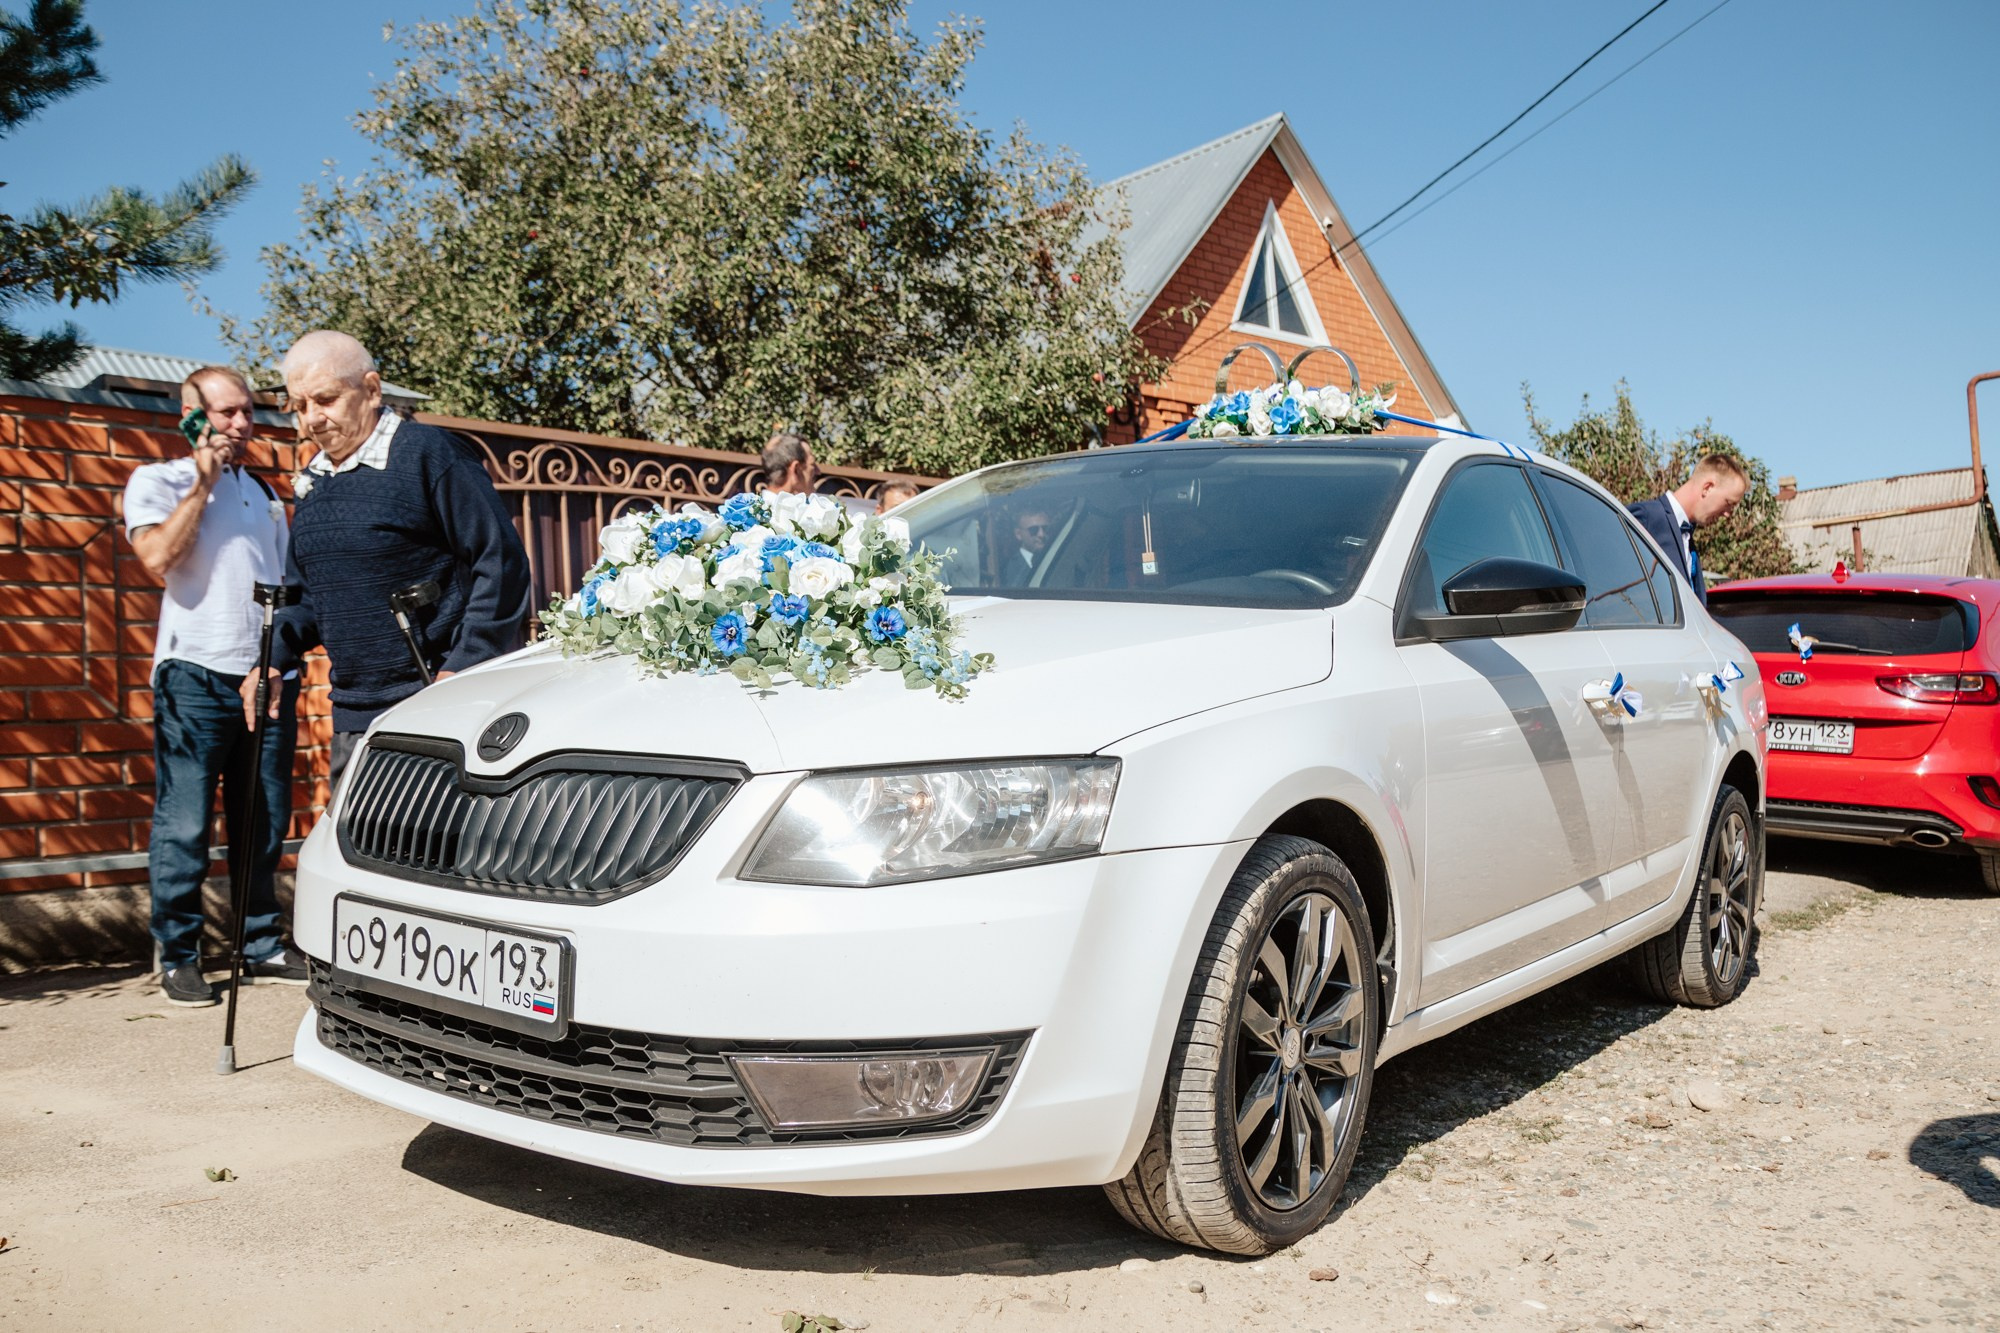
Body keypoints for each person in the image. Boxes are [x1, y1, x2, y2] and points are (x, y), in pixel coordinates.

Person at [243, 331, 531, 786]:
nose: (311, 420)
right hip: (355, 720)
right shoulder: (316, 485)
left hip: (439, 706)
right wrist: (273, 656)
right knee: (355, 855)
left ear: (372, 390)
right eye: (299, 406)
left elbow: (500, 562)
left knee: (440, 854)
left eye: (325, 400)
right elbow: (309, 602)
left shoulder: (428, 454)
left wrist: (464, 667)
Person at [123, 367, 305, 1005]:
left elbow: (285, 591)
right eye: (225, 413)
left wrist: (280, 660)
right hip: (193, 673)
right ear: (191, 414)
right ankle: (178, 953)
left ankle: (258, 943)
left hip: (262, 675)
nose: (240, 425)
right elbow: (157, 559)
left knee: (263, 818)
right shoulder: (158, 481)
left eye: (247, 412)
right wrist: (200, 484)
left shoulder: (263, 494)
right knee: (185, 823)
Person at [1627, 454, 1748, 606]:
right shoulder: (1647, 518)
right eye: (1728, 503)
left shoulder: (1687, 537)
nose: (1728, 513)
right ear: (1707, 488)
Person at [1001, 508, 1054, 586]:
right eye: (1033, 530)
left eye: (1045, 528)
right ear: (1018, 534)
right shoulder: (1008, 570)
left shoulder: (1059, 556)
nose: (1041, 534)